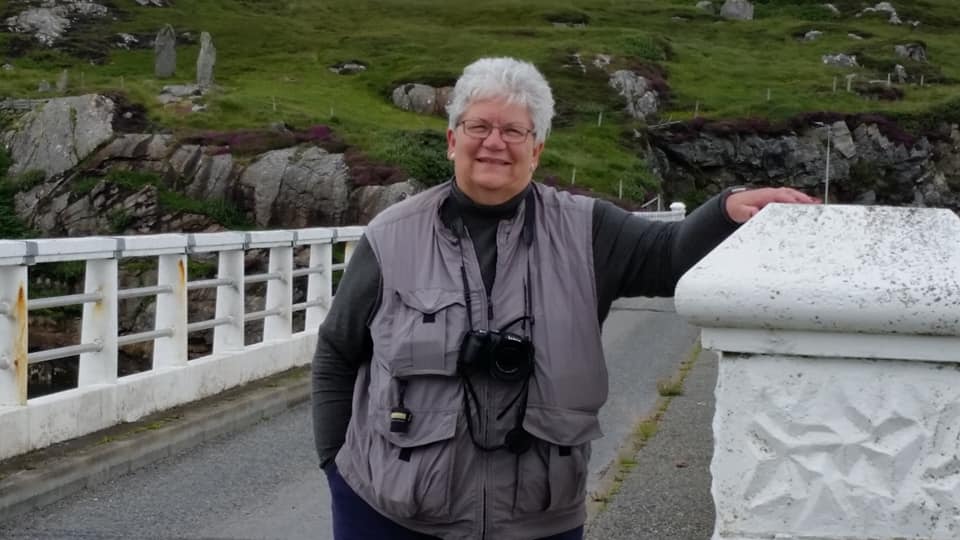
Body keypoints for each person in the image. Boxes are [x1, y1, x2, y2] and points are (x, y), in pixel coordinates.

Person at [312, 56, 819, 540]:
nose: (495, 143)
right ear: (451, 140)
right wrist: (334, 465)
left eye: (514, 131)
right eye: (479, 127)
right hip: (390, 517)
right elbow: (336, 351)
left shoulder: (587, 231)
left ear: (537, 149)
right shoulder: (390, 237)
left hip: (538, 524)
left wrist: (725, 210)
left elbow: (671, 257)